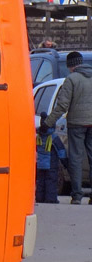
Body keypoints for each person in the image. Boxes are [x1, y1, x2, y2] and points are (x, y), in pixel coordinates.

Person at [45, 51, 92, 204]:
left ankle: (77, 196)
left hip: (76, 125)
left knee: (76, 159)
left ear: (71, 66)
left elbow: (62, 106)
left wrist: (48, 123)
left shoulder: (71, 79)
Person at [36, 113, 66, 205]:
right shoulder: (54, 137)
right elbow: (61, 150)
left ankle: (40, 197)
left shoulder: (39, 136)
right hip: (51, 164)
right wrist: (65, 162)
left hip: (40, 164)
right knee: (51, 181)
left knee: (40, 181)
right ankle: (50, 198)